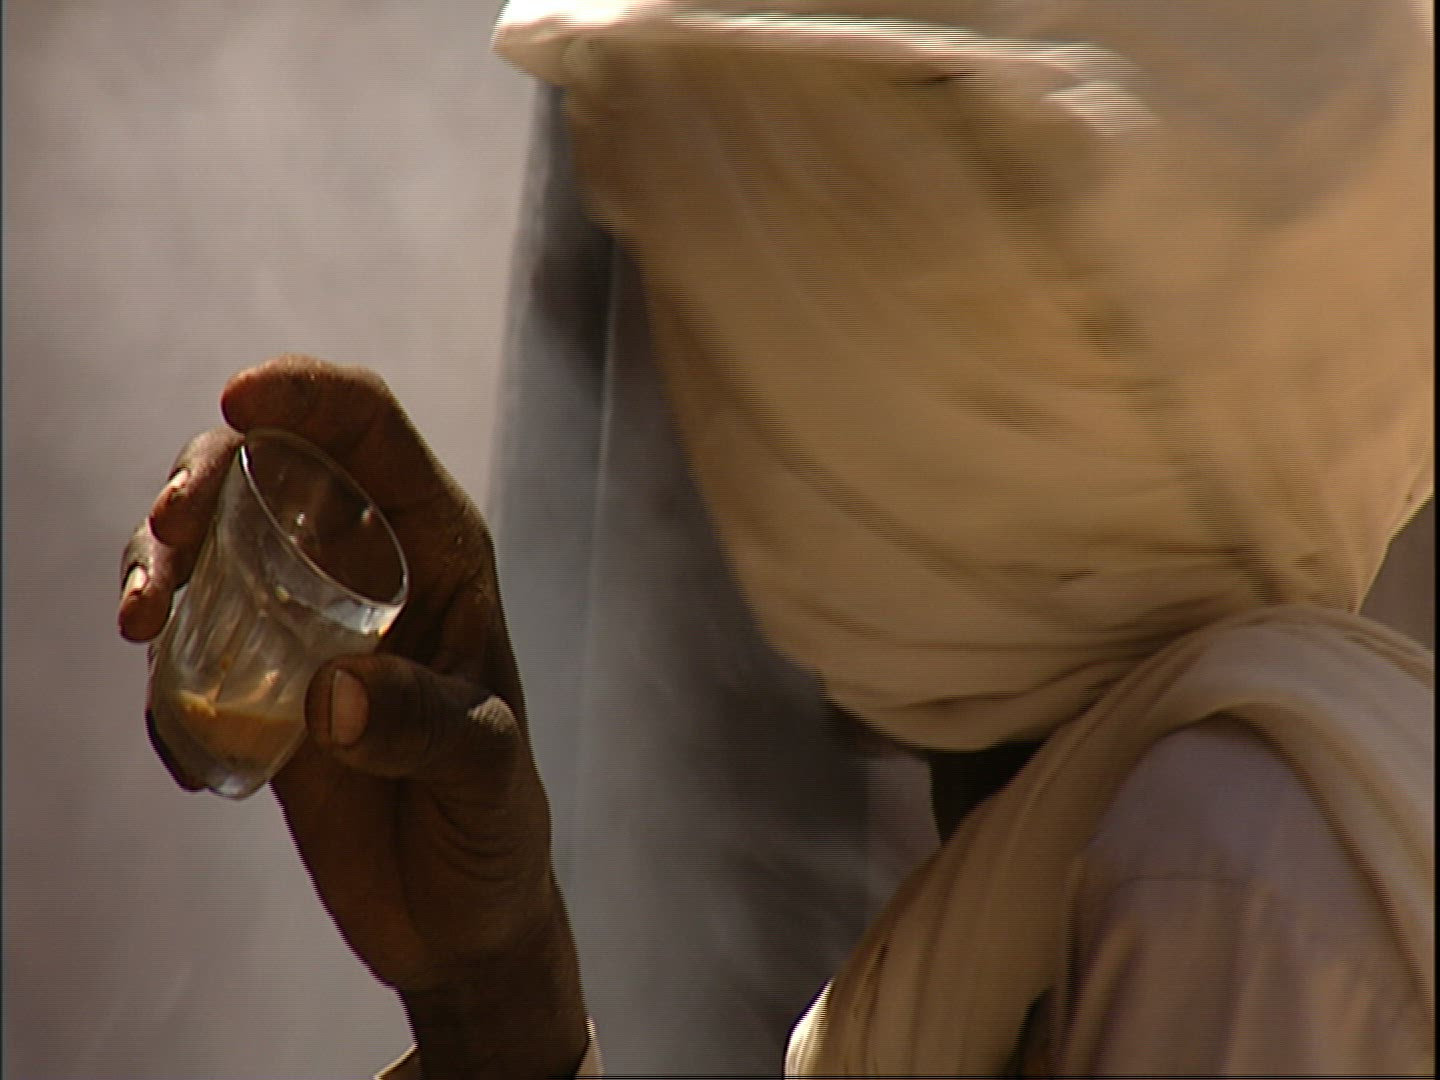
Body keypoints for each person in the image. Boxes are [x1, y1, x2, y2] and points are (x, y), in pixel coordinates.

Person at [118, 1, 1434, 1076]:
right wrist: (491, 997)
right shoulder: (1079, 885)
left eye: (745, 288)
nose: (712, 393)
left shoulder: (1223, 887)